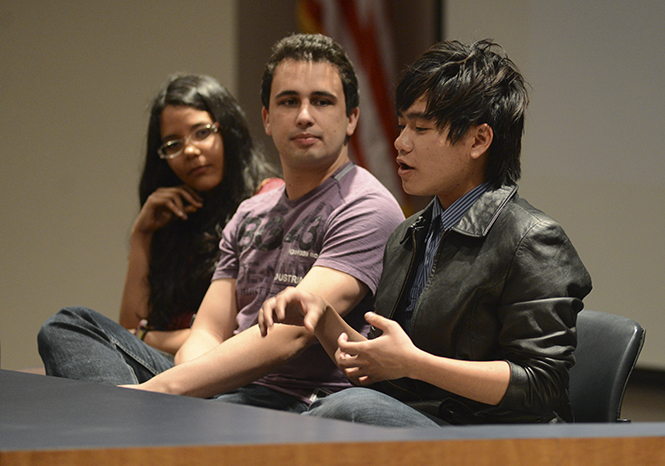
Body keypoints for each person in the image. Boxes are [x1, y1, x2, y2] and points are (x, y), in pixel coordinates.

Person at [38, 33, 405, 412]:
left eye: (322, 101)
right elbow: (209, 331)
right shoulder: (251, 213)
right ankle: (145, 420)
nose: (304, 116)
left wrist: (165, 391)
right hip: (226, 390)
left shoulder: (365, 205)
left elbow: (290, 336)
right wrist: (187, 387)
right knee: (69, 326)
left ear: (351, 119)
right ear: (266, 118)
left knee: (142, 398)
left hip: (299, 400)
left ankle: (131, 420)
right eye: (289, 101)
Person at [259, 39, 593, 426]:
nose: (401, 143)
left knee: (345, 410)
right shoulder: (409, 233)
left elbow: (542, 385)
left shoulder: (532, 239)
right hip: (417, 420)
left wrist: (416, 364)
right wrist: (322, 318)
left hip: (493, 435)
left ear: (478, 140)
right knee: (332, 409)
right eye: (403, 125)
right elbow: (380, 364)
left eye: (420, 128)